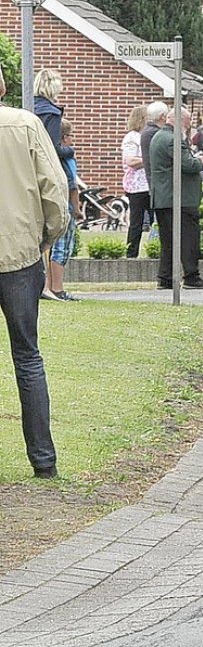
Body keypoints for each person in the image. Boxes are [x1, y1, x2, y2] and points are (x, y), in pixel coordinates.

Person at [0, 68, 68, 479]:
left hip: (22, 251)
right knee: (27, 356)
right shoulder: (24, 124)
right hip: (20, 254)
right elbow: (55, 187)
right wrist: (45, 237)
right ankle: (43, 461)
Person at [149, 106, 203, 291]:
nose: (188, 127)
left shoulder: (159, 137)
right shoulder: (173, 140)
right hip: (179, 199)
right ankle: (191, 277)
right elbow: (188, 164)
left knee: (168, 241)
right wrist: (200, 161)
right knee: (189, 239)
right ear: (179, 121)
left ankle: (165, 277)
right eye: (187, 123)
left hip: (163, 197)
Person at [43, 120, 81, 302]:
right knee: (63, 247)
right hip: (65, 205)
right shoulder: (67, 159)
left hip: (51, 203)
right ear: (65, 138)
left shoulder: (49, 157)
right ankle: (57, 288)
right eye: (72, 135)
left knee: (50, 246)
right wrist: (77, 208)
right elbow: (72, 185)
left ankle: (49, 286)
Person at [122, 105, 154, 257]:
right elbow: (130, 161)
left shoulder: (148, 135)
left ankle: (156, 250)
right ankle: (131, 253)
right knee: (137, 222)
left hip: (149, 185)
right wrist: (149, 160)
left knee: (157, 220)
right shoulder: (132, 137)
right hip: (136, 187)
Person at [31, 69, 71, 173]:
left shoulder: (27, 107)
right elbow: (54, 149)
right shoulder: (52, 113)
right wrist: (71, 151)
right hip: (45, 169)